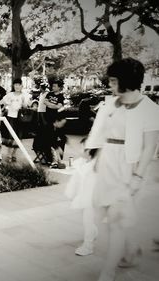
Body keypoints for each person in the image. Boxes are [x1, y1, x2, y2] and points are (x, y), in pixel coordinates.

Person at [85, 58, 159, 281]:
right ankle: (132, 247)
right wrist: (95, 155)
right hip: (108, 162)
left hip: (130, 167)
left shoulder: (150, 109)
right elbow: (100, 133)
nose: (110, 84)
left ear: (127, 81)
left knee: (117, 219)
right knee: (107, 212)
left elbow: (149, 148)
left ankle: (108, 271)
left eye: (114, 80)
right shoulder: (110, 104)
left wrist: (137, 177)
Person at [65, 139, 98, 256]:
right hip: (83, 196)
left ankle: (88, 245)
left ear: (89, 151)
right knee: (85, 217)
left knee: (87, 219)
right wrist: (71, 193)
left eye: (83, 148)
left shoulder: (95, 166)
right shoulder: (82, 163)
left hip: (92, 197)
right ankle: (93, 232)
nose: (80, 150)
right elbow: (75, 180)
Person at [0, 78, 29, 162]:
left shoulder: (24, 95)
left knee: (17, 137)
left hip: (20, 119)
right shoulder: (10, 95)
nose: (17, 86)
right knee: (10, 136)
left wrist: (24, 102)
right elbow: (2, 102)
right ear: (13, 85)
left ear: (21, 86)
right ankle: (9, 155)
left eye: (18, 85)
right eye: (15, 85)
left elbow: (26, 107)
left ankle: (14, 154)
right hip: (10, 117)